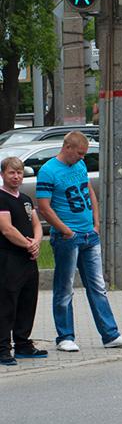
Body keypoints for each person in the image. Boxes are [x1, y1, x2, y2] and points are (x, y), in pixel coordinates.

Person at [35, 132, 122, 352]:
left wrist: (96, 223)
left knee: (98, 286)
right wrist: (66, 231)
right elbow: (44, 206)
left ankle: (110, 334)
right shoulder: (48, 171)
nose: (82, 158)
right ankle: (65, 337)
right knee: (64, 288)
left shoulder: (79, 167)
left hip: (89, 235)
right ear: (68, 148)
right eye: (80, 153)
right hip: (67, 237)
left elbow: (90, 192)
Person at [0, 156, 45, 365]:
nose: (16, 176)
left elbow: (36, 223)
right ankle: (2, 348)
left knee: (28, 302)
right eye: (11, 172)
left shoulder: (26, 198)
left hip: (28, 259)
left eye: (19, 172)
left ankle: (23, 344)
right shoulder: (1, 197)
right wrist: (28, 245)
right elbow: (7, 228)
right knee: (7, 303)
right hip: (8, 258)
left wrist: (36, 242)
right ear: (3, 175)